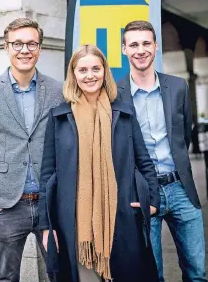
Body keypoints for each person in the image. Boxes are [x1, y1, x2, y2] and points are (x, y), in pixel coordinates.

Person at [38, 44, 160, 282]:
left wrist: (152, 202)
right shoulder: (59, 117)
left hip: (122, 216)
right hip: (74, 223)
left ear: (105, 71)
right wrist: (47, 224)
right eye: (82, 70)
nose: (90, 75)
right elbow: (47, 174)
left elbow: (144, 162)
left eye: (96, 68)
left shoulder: (124, 113)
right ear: (73, 74)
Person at [118, 20, 207, 282]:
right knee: (151, 274)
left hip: (180, 188)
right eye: (133, 44)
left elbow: (184, 136)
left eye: (146, 43)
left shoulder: (178, 87)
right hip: (143, 192)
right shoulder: (114, 94)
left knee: (197, 273)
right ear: (124, 49)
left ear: (156, 46)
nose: (140, 50)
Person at [0, 18, 63, 282]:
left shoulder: (59, 90)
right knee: (6, 276)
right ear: (6, 47)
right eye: (17, 43)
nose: (24, 50)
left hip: (51, 203)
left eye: (31, 43)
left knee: (60, 273)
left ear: (39, 48)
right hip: (6, 205)